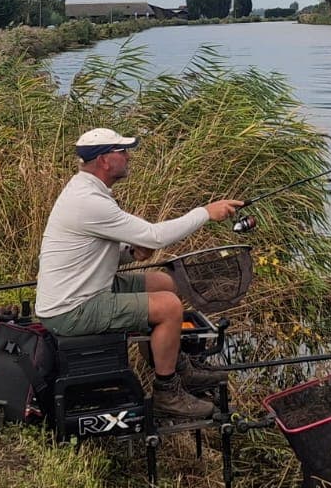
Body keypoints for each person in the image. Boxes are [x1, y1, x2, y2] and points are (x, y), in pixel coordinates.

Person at [35, 128, 243, 420]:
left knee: (165, 284)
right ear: (105, 161)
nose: (128, 157)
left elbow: (98, 251)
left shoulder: (89, 191)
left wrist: (131, 254)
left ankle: (178, 367)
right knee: (168, 307)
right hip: (71, 309)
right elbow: (155, 236)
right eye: (122, 152)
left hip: (88, 288)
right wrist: (205, 213)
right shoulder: (88, 201)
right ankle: (167, 392)